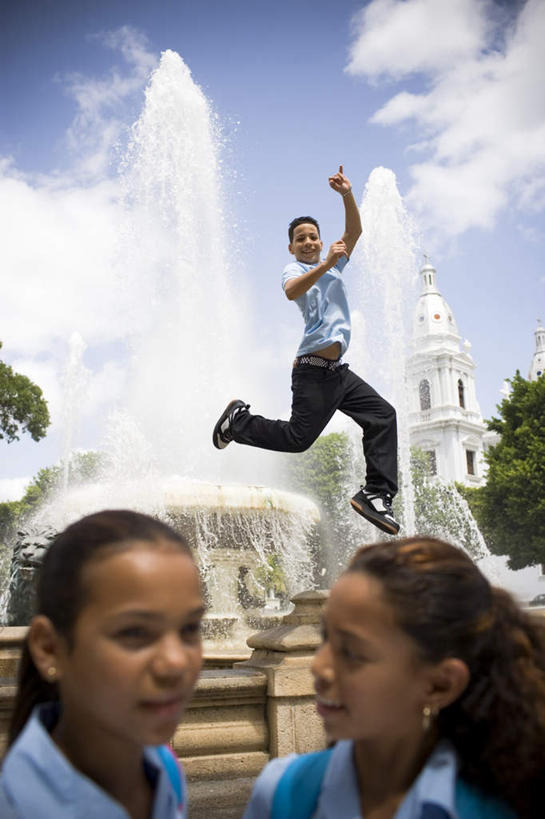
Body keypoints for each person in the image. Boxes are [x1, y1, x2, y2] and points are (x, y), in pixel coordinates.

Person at [243, 536, 545, 818]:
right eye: (325, 637)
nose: (319, 667)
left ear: (440, 684)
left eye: (352, 653)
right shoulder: (281, 792)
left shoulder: (503, 806)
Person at [213, 166, 399, 535]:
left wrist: (346, 194)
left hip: (339, 374)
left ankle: (376, 493)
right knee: (298, 440)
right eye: (302, 239)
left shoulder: (334, 265)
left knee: (383, 415)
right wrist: (327, 263)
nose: (310, 242)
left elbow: (355, 232)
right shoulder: (294, 269)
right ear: (292, 247)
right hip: (313, 371)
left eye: (314, 236)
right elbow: (291, 291)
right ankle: (239, 422)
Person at [0, 509, 205, 819]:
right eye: (134, 632)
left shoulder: (163, 769)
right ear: (49, 648)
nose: (175, 663)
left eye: (190, 629)